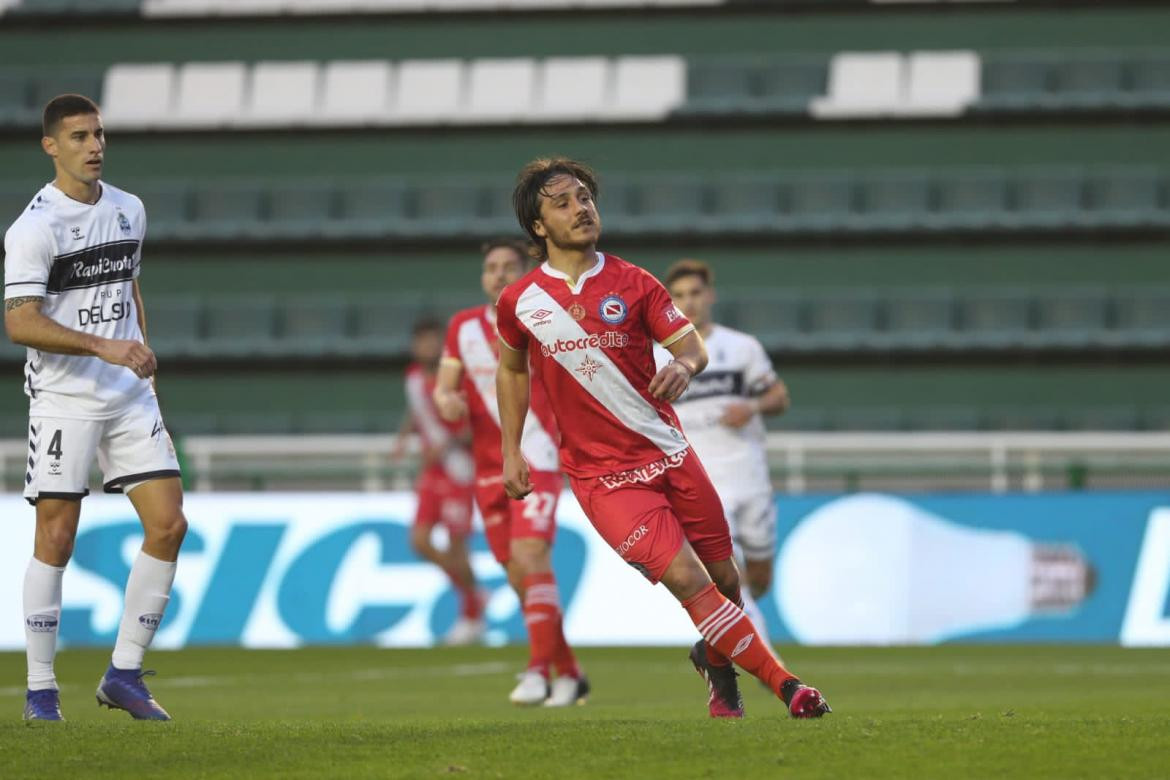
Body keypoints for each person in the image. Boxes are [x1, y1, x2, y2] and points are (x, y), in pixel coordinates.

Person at [495, 157, 829, 719]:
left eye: (585, 197)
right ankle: (789, 686)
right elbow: (511, 369)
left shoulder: (634, 282)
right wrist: (512, 447)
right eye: (563, 203)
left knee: (727, 579)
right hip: (603, 478)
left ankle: (718, 674)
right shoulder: (521, 302)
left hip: (670, 454)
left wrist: (686, 366)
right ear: (537, 226)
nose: (581, 209)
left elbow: (690, 345)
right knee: (688, 577)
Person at [4, 95, 186, 721]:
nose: (94, 145)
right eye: (79, 136)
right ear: (51, 146)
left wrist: (139, 348)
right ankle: (40, 688)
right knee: (56, 538)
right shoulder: (34, 228)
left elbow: (127, 283)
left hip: (129, 395)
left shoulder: (129, 207)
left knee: (168, 525)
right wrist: (104, 346)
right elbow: (20, 323)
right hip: (64, 398)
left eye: (99, 134)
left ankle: (125, 675)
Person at [433, 239, 586, 707]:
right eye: (490, 267)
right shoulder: (462, 327)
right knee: (520, 576)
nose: (497, 274)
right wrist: (448, 401)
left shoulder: (544, 318)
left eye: (508, 267)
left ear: (525, 273)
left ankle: (538, 672)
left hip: (538, 457)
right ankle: (570, 673)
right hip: (487, 469)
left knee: (530, 555)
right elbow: (444, 388)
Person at [653, 259, 790, 647]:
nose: (689, 303)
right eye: (678, 296)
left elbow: (779, 396)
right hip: (702, 480)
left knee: (759, 576)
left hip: (749, 475)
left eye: (695, 293)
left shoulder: (741, 347)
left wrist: (753, 407)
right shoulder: (658, 356)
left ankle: (730, 624)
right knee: (729, 573)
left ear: (710, 296)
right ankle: (761, 654)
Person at [394, 317, 483, 645]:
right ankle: (473, 593)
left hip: (458, 469)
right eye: (422, 341)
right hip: (433, 471)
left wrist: (446, 444)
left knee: (458, 548)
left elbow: (473, 423)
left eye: (433, 341)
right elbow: (417, 411)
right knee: (419, 540)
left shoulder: (454, 380)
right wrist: (404, 437)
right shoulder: (414, 378)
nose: (428, 347)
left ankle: (471, 614)